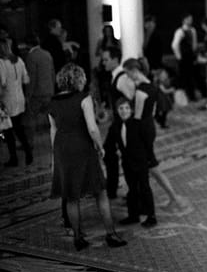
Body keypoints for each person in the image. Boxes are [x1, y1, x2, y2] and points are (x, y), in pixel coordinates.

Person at [48, 63, 127, 251]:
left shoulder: (52, 102)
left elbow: (53, 130)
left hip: (62, 148)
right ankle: (111, 234)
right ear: (79, 79)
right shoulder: (84, 99)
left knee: (71, 196)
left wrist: (55, 157)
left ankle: (78, 237)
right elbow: (92, 128)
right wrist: (100, 147)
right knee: (100, 191)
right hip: (82, 147)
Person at [122, 58, 185, 213]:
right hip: (149, 127)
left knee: (149, 167)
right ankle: (171, 198)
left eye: (127, 73)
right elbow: (153, 111)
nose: (127, 77)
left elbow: (137, 117)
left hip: (142, 130)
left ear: (133, 71)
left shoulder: (141, 91)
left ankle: (171, 199)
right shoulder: (151, 86)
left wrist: (130, 136)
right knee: (152, 167)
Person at [107, 97, 156, 228]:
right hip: (127, 163)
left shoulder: (137, 124)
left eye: (127, 108)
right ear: (117, 111)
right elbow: (109, 143)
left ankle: (151, 216)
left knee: (145, 188)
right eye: (121, 108)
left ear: (131, 110)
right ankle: (133, 215)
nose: (124, 111)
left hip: (141, 161)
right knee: (132, 189)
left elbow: (148, 141)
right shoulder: (115, 126)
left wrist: (149, 158)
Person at [101, 47, 136, 199]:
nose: (103, 63)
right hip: (117, 122)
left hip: (123, 124)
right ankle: (112, 187)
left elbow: (132, 99)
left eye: (106, 59)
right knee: (109, 151)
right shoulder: (115, 76)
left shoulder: (122, 78)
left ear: (116, 59)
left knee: (125, 157)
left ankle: (128, 191)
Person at [0, 39, 33, 166]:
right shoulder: (19, 60)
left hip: (7, 99)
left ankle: (14, 158)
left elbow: (2, 83)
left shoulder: (1, 63)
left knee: (8, 130)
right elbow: (26, 80)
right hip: (19, 98)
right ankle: (28, 151)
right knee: (18, 127)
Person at [23, 34, 55, 146]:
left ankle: (29, 143)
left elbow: (32, 77)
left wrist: (28, 94)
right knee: (50, 118)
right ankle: (53, 141)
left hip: (37, 93)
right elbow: (52, 72)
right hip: (49, 90)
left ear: (28, 44)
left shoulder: (31, 56)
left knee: (30, 118)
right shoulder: (47, 54)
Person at [171, 13, 198, 102]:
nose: (190, 21)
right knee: (183, 77)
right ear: (184, 20)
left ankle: (192, 95)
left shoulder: (193, 30)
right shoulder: (180, 31)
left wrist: (194, 53)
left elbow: (194, 43)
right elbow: (175, 45)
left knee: (191, 76)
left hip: (190, 56)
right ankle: (183, 97)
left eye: (191, 19)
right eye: (189, 19)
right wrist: (179, 56)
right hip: (183, 57)